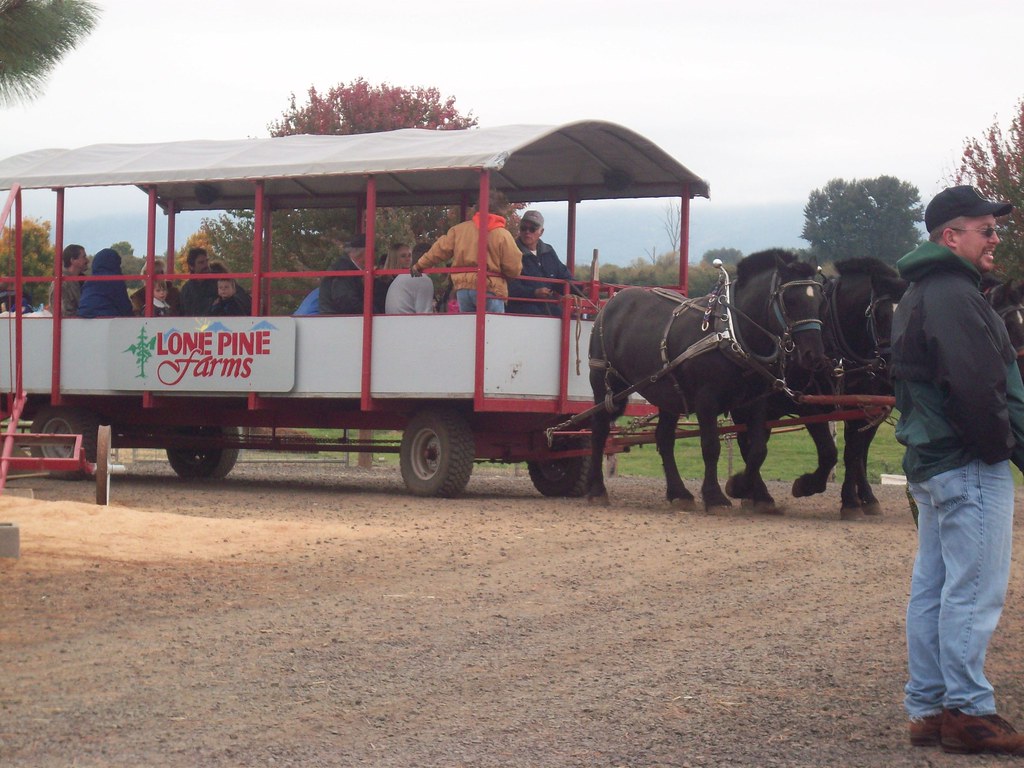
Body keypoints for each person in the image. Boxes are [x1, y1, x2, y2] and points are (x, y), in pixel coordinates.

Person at [893, 185, 1024, 755]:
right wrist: (1002, 448)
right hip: (968, 462)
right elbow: (977, 387)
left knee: (937, 587)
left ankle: (928, 710)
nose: (997, 240)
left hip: (937, 461)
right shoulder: (953, 294)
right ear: (952, 236)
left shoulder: (926, 291)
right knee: (973, 590)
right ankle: (968, 713)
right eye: (987, 230)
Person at [410, 190, 522, 313]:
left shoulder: (459, 230)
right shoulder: (503, 234)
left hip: (463, 288)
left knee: (469, 328)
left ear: (478, 207)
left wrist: (420, 265)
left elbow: (439, 249)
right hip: (490, 288)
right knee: (493, 329)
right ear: (502, 210)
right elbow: (513, 267)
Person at [507, 210, 581, 315]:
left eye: (532, 229)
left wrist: (581, 290)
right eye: (524, 228)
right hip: (521, 308)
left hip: (548, 308)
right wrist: (534, 293)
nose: (527, 232)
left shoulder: (548, 252)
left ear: (541, 232)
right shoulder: (511, 251)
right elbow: (510, 286)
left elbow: (564, 277)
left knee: (571, 316)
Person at [76, 248, 133, 318]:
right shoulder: (116, 280)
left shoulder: (88, 282)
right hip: (107, 319)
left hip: (83, 317)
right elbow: (125, 307)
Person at [319, 235, 367, 314]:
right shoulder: (344, 269)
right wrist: (369, 312)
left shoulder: (345, 266)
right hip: (336, 319)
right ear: (364, 253)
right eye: (373, 252)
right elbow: (345, 299)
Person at [385, 242, 434, 314]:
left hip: (394, 322)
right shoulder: (422, 278)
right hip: (407, 323)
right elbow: (425, 315)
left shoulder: (403, 277)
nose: (407, 259)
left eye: (409, 255)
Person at [47, 243, 89, 317]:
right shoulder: (61, 283)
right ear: (72, 260)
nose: (87, 260)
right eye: (84, 257)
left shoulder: (82, 281)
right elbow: (64, 314)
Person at [179, 247, 218, 315]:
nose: (206, 265)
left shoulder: (218, 282)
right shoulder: (186, 289)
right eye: (201, 262)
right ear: (191, 266)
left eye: (207, 261)